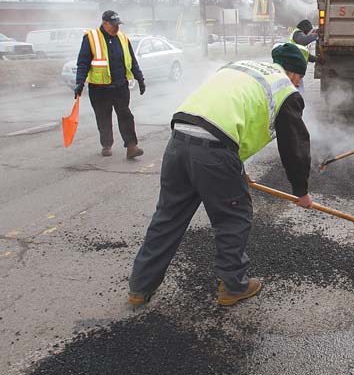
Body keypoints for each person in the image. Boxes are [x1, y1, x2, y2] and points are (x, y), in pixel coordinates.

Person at [128, 43, 313, 307]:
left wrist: (239, 168)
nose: (297, 84)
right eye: (300, 78)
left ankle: (139, 287)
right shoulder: (284, 90)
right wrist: (301, 192)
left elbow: (227, 113)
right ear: (295, 74)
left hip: (180, 137)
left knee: (168, 217)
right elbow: (294, 147)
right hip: (213, 150)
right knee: (233, 216)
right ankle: (234, 286)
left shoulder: (241, 68)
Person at [74, 10, 145, 158]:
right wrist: (79, 83)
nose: (116, 28)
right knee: (103, 118)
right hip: (99, 89)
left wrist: (140, 78)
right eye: (113, 25)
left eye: (118, 24)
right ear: (104, 23)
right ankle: (106, 144)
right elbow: (83, 63)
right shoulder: (91, 38)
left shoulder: (123, 38)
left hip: (120, 86)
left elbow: (131, 60)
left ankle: (132, 146)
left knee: (126, 115)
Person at [288, 19, 318, 95]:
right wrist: (316, 35)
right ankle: (297, 103)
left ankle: (297, 102)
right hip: (293, 66)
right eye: (309, 31)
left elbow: (304, 54)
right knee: (297, 90)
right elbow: (304, 40)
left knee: (297, 88)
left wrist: (316, 59)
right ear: (305, 29)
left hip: (295, 66)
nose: (308, 33)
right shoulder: (297, 33)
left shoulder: (297, 35)